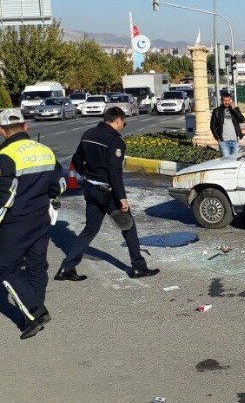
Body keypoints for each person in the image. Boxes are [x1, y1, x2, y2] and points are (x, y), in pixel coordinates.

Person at [55, 107, 159, 281]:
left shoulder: (88, 134)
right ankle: (139, 267)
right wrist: (122, 197)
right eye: (123, 123)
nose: (123, 126)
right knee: (128, 226)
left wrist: (86, 175)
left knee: (90, 230)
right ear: (117, 120)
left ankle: (67, 268)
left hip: (91, 190)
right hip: (108, 193)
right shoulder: (115, 141)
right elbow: (114, 172)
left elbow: (76, 160)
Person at [0, 110, 65, 339]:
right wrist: (52, 200)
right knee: (37, 266)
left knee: (6, 268)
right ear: (25, 126)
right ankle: (33, 311)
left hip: (15, 223)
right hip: (41, 219)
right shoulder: (45, 151)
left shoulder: (4, 155)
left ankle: (35, 312)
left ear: (2, 131)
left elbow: (4, 197)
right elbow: (60, 184)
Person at [210, 91, 245, 157]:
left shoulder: (235, 110)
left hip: (235, 141)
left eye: (228, 100)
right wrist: (217, 138)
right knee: (226, 161)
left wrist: (235, 109)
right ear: (222, 101)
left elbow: (242, 119)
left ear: (231, 100)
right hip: (224, 142)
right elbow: (212, 126)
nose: (227, 102)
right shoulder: (216, 111)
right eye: (225, 100)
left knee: (235, 162)